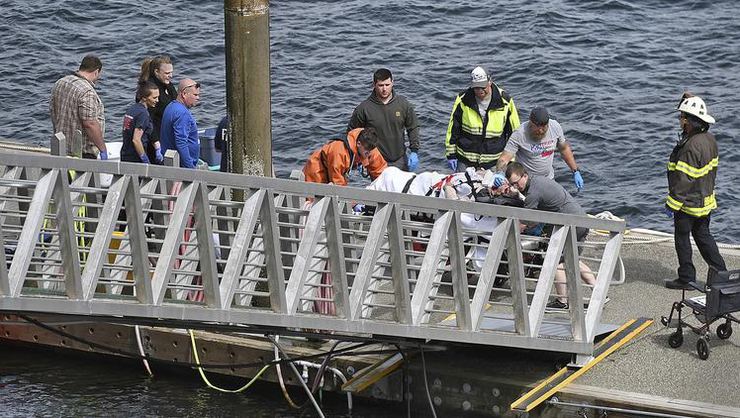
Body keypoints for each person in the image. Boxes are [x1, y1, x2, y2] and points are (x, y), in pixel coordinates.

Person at [504, 162, 597, 309]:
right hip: (579, 220)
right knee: (571, 259)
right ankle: (599, 294)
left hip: (570, 224)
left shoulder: (533, 192)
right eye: (512, 184)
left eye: (516, 183)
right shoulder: (537, 181)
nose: (516, 187)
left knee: (555, 261)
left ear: (525, 175)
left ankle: (562, 301)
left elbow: (529, 221)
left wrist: (510, 232)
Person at [664, 93, 726, 290]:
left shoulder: (690, 146)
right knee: (704, 237)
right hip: (704, 200)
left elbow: (684, 180)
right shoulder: (709, 140)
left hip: (687, 204)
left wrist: (672, 204)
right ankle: (721, 274)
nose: (680, 120)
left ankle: (687, 279)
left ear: (689, 122)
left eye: (682, 117)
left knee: (682, 239)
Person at [445, 66, 520, 172]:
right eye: (476, 87)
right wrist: (451, 154)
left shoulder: (505, 101)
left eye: (482, 87)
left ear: (490, 82)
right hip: (465, 160)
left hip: (494, 162)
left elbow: (514, 133)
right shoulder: (462, 100)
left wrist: (511, 159)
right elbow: (453, 128)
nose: (480, 91)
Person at [492, 106, 583, 190]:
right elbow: (504, 159)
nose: (540, 131)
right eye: (537, 128)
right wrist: (500, 173)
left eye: (544, 128)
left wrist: (575, 171)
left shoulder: (555, 127)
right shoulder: (519, 134)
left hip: (548, 179)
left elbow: (564, 149)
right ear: (530, 123)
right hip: (526, 182)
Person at [347, 68, 421, 171]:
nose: (384, 89)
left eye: (387, 85)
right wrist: (358, 157)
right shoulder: (363, 108)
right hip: (376, 161)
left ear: (392, 83)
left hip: (400, 159)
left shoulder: (403, 104)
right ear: (374, 85)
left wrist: (414, 151)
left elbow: (413, 127)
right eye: (381, 85)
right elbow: (352, 134)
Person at [49, 54, 108, 159]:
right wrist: (102, 149)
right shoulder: (87, 92)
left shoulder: (61, 82)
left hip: (60, 147)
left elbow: (53, 111)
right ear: (96, 72)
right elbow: (90, 124)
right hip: (81, 153)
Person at [303, 127, 387, 186]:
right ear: (358, 144)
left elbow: (379, 170)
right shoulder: (339, 151)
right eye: (366, 152)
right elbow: (337, 182)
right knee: (315, 202)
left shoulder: (369, 145)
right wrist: (351, 204)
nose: (369, 154)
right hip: (317, 171)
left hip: (339, 173)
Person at [138, 55, 177, 163]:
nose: (170, 76)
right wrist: (156, 145)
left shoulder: (168, 85)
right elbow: (148, 120)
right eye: (167, 73)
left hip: (168, 134)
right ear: (156, 72)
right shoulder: (151, 90)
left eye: (171, 72)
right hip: (155, 139)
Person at [160, 79, 201, 168]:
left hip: (170, 161)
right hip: (181, 165)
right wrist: (190, 167)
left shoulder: (171, 106)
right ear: (184, 94)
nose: (198, 98)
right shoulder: (182, 113)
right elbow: (181, 142)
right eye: (195, 95)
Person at [121, 81, 161, 164]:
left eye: (158, 97)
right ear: (144, 98)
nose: (157, 100)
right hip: (135, 158)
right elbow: (136, 140)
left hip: (125, 154)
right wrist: (144, 159)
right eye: (154, 98)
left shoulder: (132, 109)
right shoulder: (143, 114)